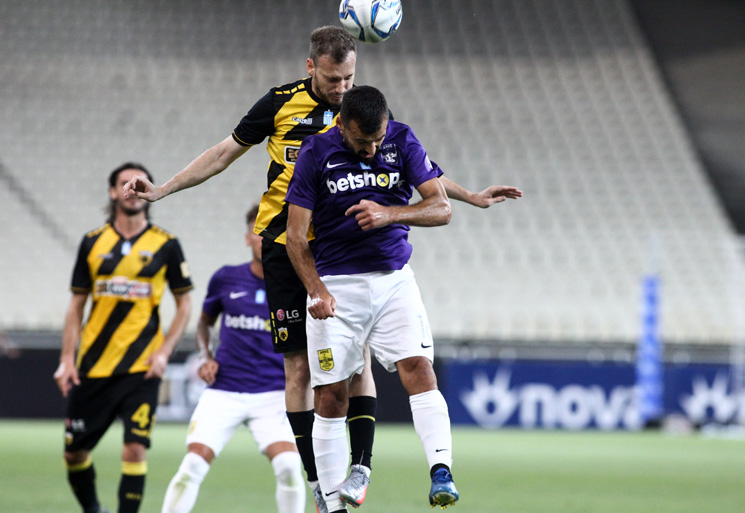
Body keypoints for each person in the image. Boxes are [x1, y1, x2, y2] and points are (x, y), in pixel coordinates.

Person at [123, 25, 520, 512]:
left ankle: (360, 466)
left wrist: (471, 196)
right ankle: (318, 480)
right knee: (299, 369)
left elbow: (415, 168)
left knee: (360, 360)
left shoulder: (364, 115)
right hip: (285, 241)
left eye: (349, 78)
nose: (342, 87)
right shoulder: (280, 104)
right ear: (312, 67)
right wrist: (164, 188)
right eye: (333, 79)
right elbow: (225, 152)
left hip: (343, 247)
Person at [285, 85, 469, 512]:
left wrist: (391, 213)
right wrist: (316, 290)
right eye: (361, 141)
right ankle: (333, 505)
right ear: (342, 126)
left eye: (377, 139)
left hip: (393, 281)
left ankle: (441, 471)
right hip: (337, 286)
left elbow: (441, 208)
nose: (371, 149)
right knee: (330, 395)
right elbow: (295, 237)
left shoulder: (402, 139)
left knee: (419, 368)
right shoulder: (315, 152)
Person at [53, 162, 193, 513]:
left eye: (139, 183)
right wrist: (67, 358)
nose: (132, 189)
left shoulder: (166, 245)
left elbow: (185, 304)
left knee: (134, 449)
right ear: (113, 192)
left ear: (149, 190)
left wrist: (164, 351)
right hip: (93, 366)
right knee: (74, 453)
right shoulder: (91, 243)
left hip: (141, 368)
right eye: (124, 183)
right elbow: (76, 305)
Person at [162, 204, 304, 513]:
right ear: (247, 237)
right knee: (192, 467)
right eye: (258, 231)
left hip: (274, 393)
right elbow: (203, 324)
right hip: (224, 390)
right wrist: (206, 357)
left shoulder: (295, 282)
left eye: (272, 230)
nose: (264, 237)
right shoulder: (226, 278)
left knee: (290, 467)